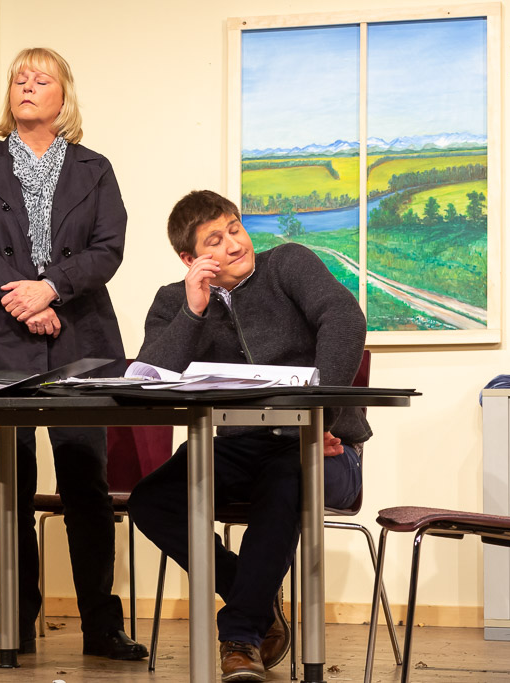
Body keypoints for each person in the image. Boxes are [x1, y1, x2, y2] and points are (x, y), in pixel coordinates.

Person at [0, 47, 146, 661]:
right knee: (7, 485)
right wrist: (24, 298)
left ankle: (101, 626)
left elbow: (108, 248)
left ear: (65, 97)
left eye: (41, 79)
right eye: (19, 78)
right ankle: (13, 621)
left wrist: (52, 288)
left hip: (78, 335)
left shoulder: (95, 168)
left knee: (86, 481)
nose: (27, 86)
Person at [127, 190, 367, 682]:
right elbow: (150, 378)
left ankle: (240, 637)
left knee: (286, 478)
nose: (235, 244)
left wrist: (318, 419)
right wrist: (193, 311)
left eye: (235, 229)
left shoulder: (288, 264)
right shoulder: (174, 301)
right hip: (238, 448)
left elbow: (344, 317)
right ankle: (252, 594)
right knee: (152, 500)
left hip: (326, 449)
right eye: (215, 240)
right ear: (190, 260)